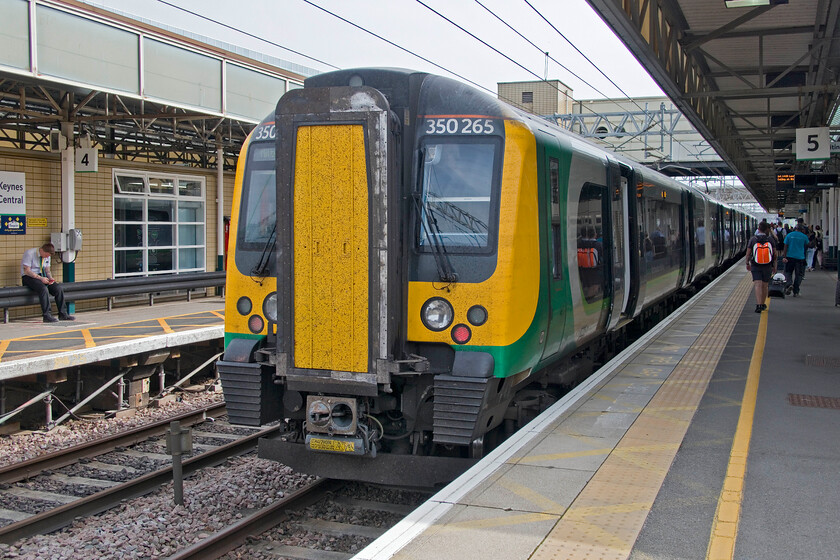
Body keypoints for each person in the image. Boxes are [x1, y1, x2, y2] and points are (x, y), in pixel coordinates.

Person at [21, 243, 75, 323]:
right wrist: (40, 278)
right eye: (46, 255)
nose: (47, 257)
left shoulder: (47, 256)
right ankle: (47, 315)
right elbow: (27, 270)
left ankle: (63, 313)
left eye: (48, 256)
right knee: (43, 289)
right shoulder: (30, 253)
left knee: (58, 289)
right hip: (29, 277)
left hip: (42, 276)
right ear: (41, 250)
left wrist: (50, 278)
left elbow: (47, 270)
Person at [746, 222, 776, 313]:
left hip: (755, 265)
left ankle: (758, 305)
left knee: (758, 284)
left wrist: (747, 263)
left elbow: (748, 254)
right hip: (767, 265)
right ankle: (762, 304)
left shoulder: (753, 239)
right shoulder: (770, 239)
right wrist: (774, 266)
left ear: (758, 229)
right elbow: (775, 254)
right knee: (765, 285)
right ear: (767, 229)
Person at [781, 225, 809, 297]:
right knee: (799, 275)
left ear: (795, 229)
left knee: (788, 272)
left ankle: (789, 284)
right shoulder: (804, 236)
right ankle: (796, 291)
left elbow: (785, 246)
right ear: (802, 230)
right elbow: (807, 245)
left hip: (789, 257)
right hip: (800, 258)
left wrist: (784, 256)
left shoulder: (789, 235)